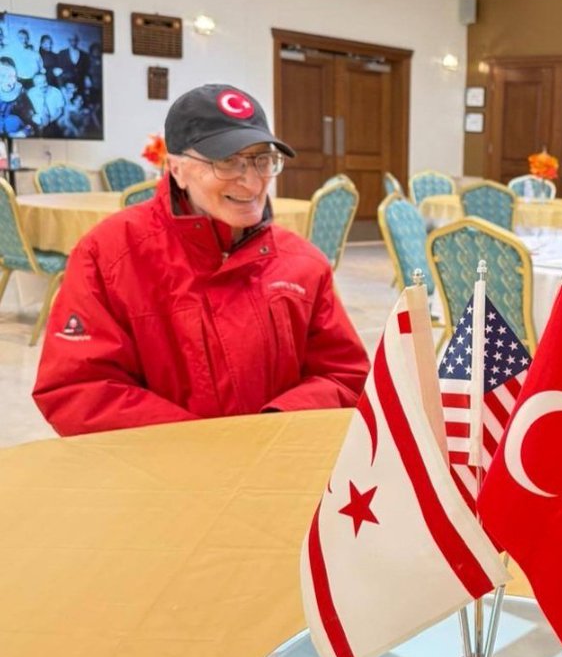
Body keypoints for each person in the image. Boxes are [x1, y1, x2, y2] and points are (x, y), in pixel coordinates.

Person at [33, 82, 370, 435]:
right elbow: (77, 388)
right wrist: (203, 444)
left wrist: (274, 425)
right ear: (175, 168)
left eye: (262, 160)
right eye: (227, 162)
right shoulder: (109, 255)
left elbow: (345, 376)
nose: (252, 182)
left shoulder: (303, 263)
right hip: (161, 479)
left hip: (277, 467)